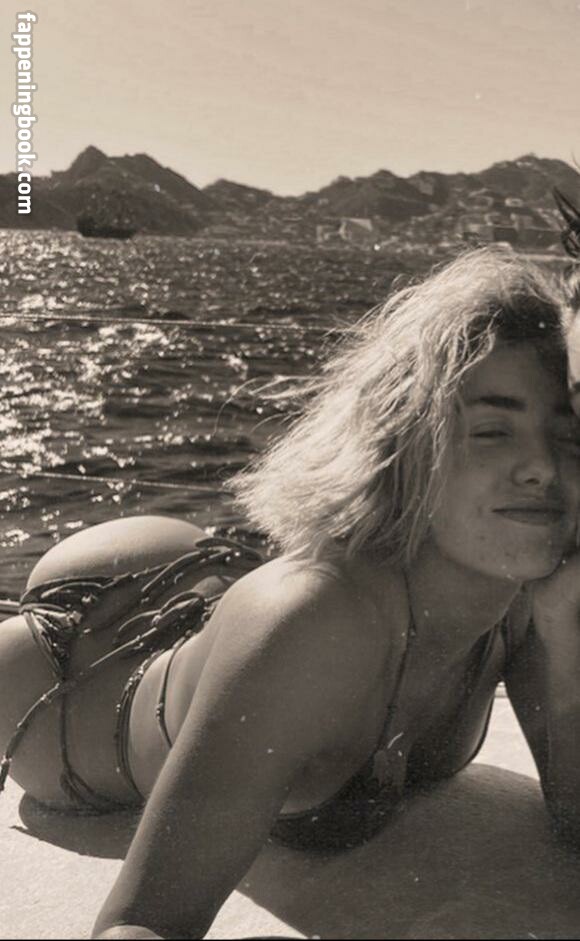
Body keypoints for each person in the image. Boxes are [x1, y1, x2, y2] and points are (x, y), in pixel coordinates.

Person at [2, 247, 580, 941]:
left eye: (568, 434)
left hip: (209, 587)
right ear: (408, 445)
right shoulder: (311, 627)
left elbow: (574, 817)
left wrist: (568, 636)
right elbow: (138, 922)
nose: (542, 466)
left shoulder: (524, 597)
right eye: (492, 430)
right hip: (70, 676)